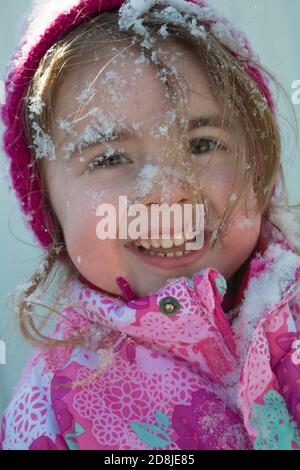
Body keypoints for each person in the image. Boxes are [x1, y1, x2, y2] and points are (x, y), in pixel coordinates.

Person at [1, 0, 300, 450]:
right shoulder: (53, 416)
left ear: (256, 167)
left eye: (202, 144)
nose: (168, 194)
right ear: (49, 205)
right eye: (110, 158)